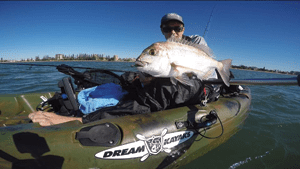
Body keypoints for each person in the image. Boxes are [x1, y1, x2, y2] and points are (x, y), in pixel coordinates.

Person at [28, 13, 218, 126]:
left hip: (198, 84)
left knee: (162, 90)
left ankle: (82, 121)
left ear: (183, 28)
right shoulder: (162, 48)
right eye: (167, 29)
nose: (173, 32)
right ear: (162, 30)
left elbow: (203, 72)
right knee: (130, 77)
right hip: (172, 76)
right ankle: (118, 102)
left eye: (177, 27)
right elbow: (160, 69)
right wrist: (144, 78)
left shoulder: (196, 42)